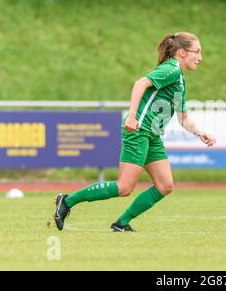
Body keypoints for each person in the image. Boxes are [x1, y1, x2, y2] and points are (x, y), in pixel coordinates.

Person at [53, 32, 216, 232]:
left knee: (165, 185)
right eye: (197, 52)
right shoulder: (171, 69)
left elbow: (183, 117)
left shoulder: (179, 79)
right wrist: (132, 116)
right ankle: (67, 201)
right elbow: (140, 84)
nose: (200, 57)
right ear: (182, 52)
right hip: (139, 130)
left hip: (152, 135)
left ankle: (121, 224)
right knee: (124, 187)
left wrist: (201, 133)